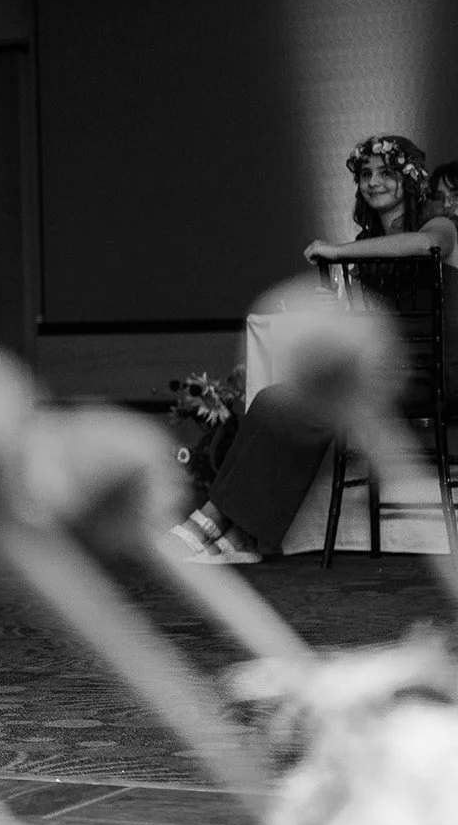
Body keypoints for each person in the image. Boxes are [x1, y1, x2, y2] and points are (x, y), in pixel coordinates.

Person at [171, 134, 458, 563]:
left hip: (427, 373)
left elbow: (424, 249)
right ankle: (240, 534)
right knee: (272, 400)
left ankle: (215, 524)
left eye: (386, 173)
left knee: (313, 404)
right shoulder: (365, 243)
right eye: (366, 174)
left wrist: (339, 252)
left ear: (408, 180)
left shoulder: (438, 225)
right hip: (378, 372)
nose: (374, 182)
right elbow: (364, 322)